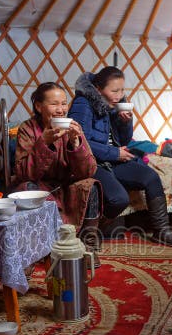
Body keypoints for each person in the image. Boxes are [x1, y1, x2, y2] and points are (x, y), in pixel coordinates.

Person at [68, 66, 172, 246]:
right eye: (115, 90)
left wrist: (125, 122)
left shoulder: (113, 104)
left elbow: (124, 139)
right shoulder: (83, 103)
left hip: (114, 159)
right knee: (119, 199)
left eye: (122, 90)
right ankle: (92, 229)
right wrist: (115, 153)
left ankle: (162, 231)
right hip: (92, 162)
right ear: (98, 89)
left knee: (151, 177)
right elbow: (80, 141)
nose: (120, 95)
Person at [11, 82, 103, 267]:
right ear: (38, 106)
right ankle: (37, 250)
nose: (61, 110)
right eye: (54, 104)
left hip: (67, 188)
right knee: (27, 189)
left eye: (64, 103)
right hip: (41, 188)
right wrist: (43, 143)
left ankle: (88, 246)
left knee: (91, 185)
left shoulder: (72, 127)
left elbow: (88, 170)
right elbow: (23, 173)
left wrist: (75, 143)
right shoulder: (28, 129)